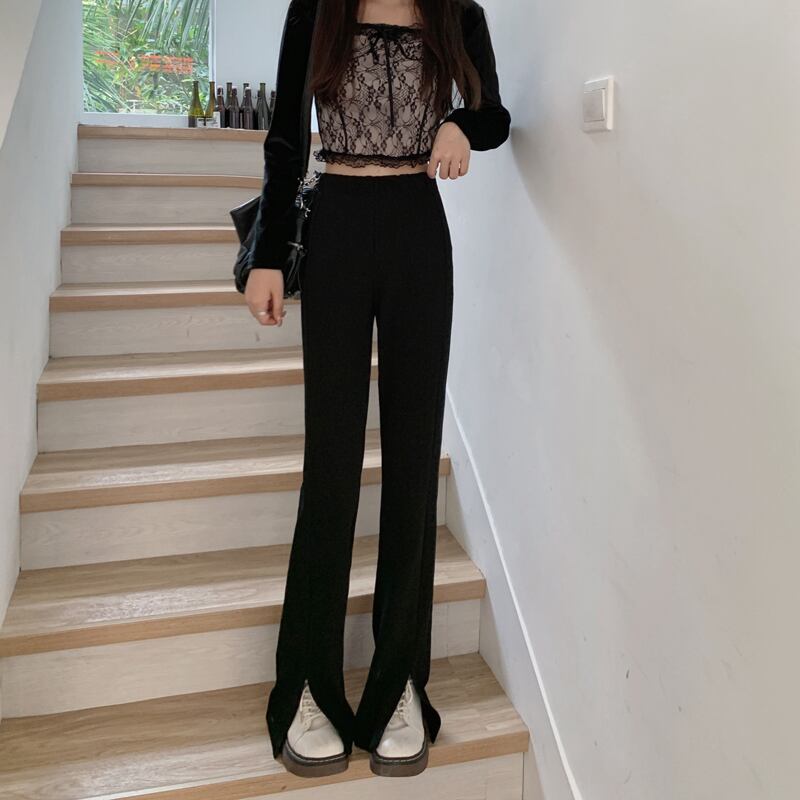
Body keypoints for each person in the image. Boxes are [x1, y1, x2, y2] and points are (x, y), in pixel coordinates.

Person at [239, 0, 510, 779]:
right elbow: (286, 138)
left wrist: (461, 127)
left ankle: (398, 684)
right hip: (336, 227)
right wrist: (267, 255)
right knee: (331, 461)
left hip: (419, 230)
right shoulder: (318, 9)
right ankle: (307, 685)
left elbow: (493, 115)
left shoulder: (457, 13)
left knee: (415, 460)